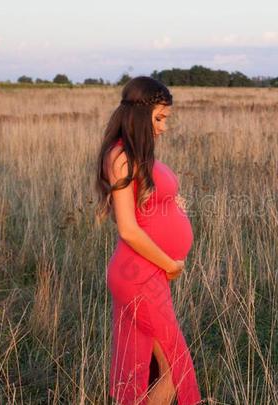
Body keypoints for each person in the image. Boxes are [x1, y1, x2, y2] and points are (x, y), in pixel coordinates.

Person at [95, 76, 202, 404]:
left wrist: (172, 204)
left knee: (153, 367)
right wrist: (170, 263)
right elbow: (127, 228)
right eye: (159, 118)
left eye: (166, 119)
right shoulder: (121, 157)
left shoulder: (137, 155)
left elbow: (147, 203)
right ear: (140, 116)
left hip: (148, 274)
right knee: (176, 366)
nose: (164, 127)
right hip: (138, 275)